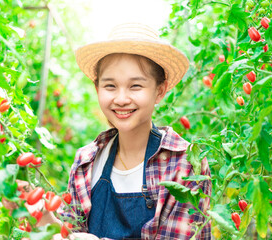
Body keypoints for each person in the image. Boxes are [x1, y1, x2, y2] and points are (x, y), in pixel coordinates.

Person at [15, 22, 211, 240]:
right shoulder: (87, 162)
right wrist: (45, 219)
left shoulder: (185, 164)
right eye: (110, 86)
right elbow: (70, 233)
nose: (121, 99)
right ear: (97, 88)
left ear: (160, 90)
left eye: (135, 86)